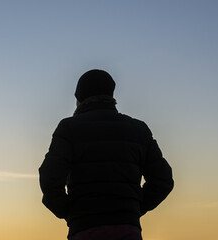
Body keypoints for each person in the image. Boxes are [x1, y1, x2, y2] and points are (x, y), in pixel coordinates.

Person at [39, 69, 174, 240]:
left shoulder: (69, 128)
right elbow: (163, 180)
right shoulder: (139, 130)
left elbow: (50, 181)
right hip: (127, 229)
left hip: (85, 229)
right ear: (111, 96)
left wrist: (71, 213)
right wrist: (133, 209)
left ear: (79, 99)